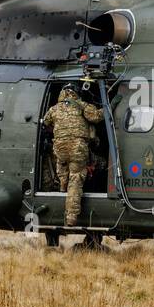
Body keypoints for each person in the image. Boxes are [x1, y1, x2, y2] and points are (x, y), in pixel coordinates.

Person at [42, 85, 103, 227]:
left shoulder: (54, 109)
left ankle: (62, 186)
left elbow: (45, 123)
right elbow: (97, 117)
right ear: (76, 94)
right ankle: (71, 216)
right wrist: (110, 106)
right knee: (76, 179)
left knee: (62, 168)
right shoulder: (82, 106)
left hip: (60, 148)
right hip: (77, 148)